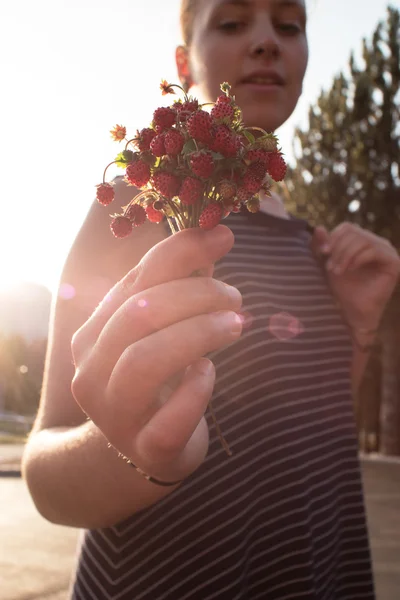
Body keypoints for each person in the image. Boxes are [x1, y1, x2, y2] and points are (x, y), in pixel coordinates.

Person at [22, 1, 400, 598]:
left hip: (309, 564)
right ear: (183, 61)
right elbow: (44, 475)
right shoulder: (144, 202)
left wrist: (359, 324)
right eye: (231, 21)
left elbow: (307, 431)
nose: (266, 42)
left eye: (289, 25)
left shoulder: (316, 244)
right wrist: (131, 450)